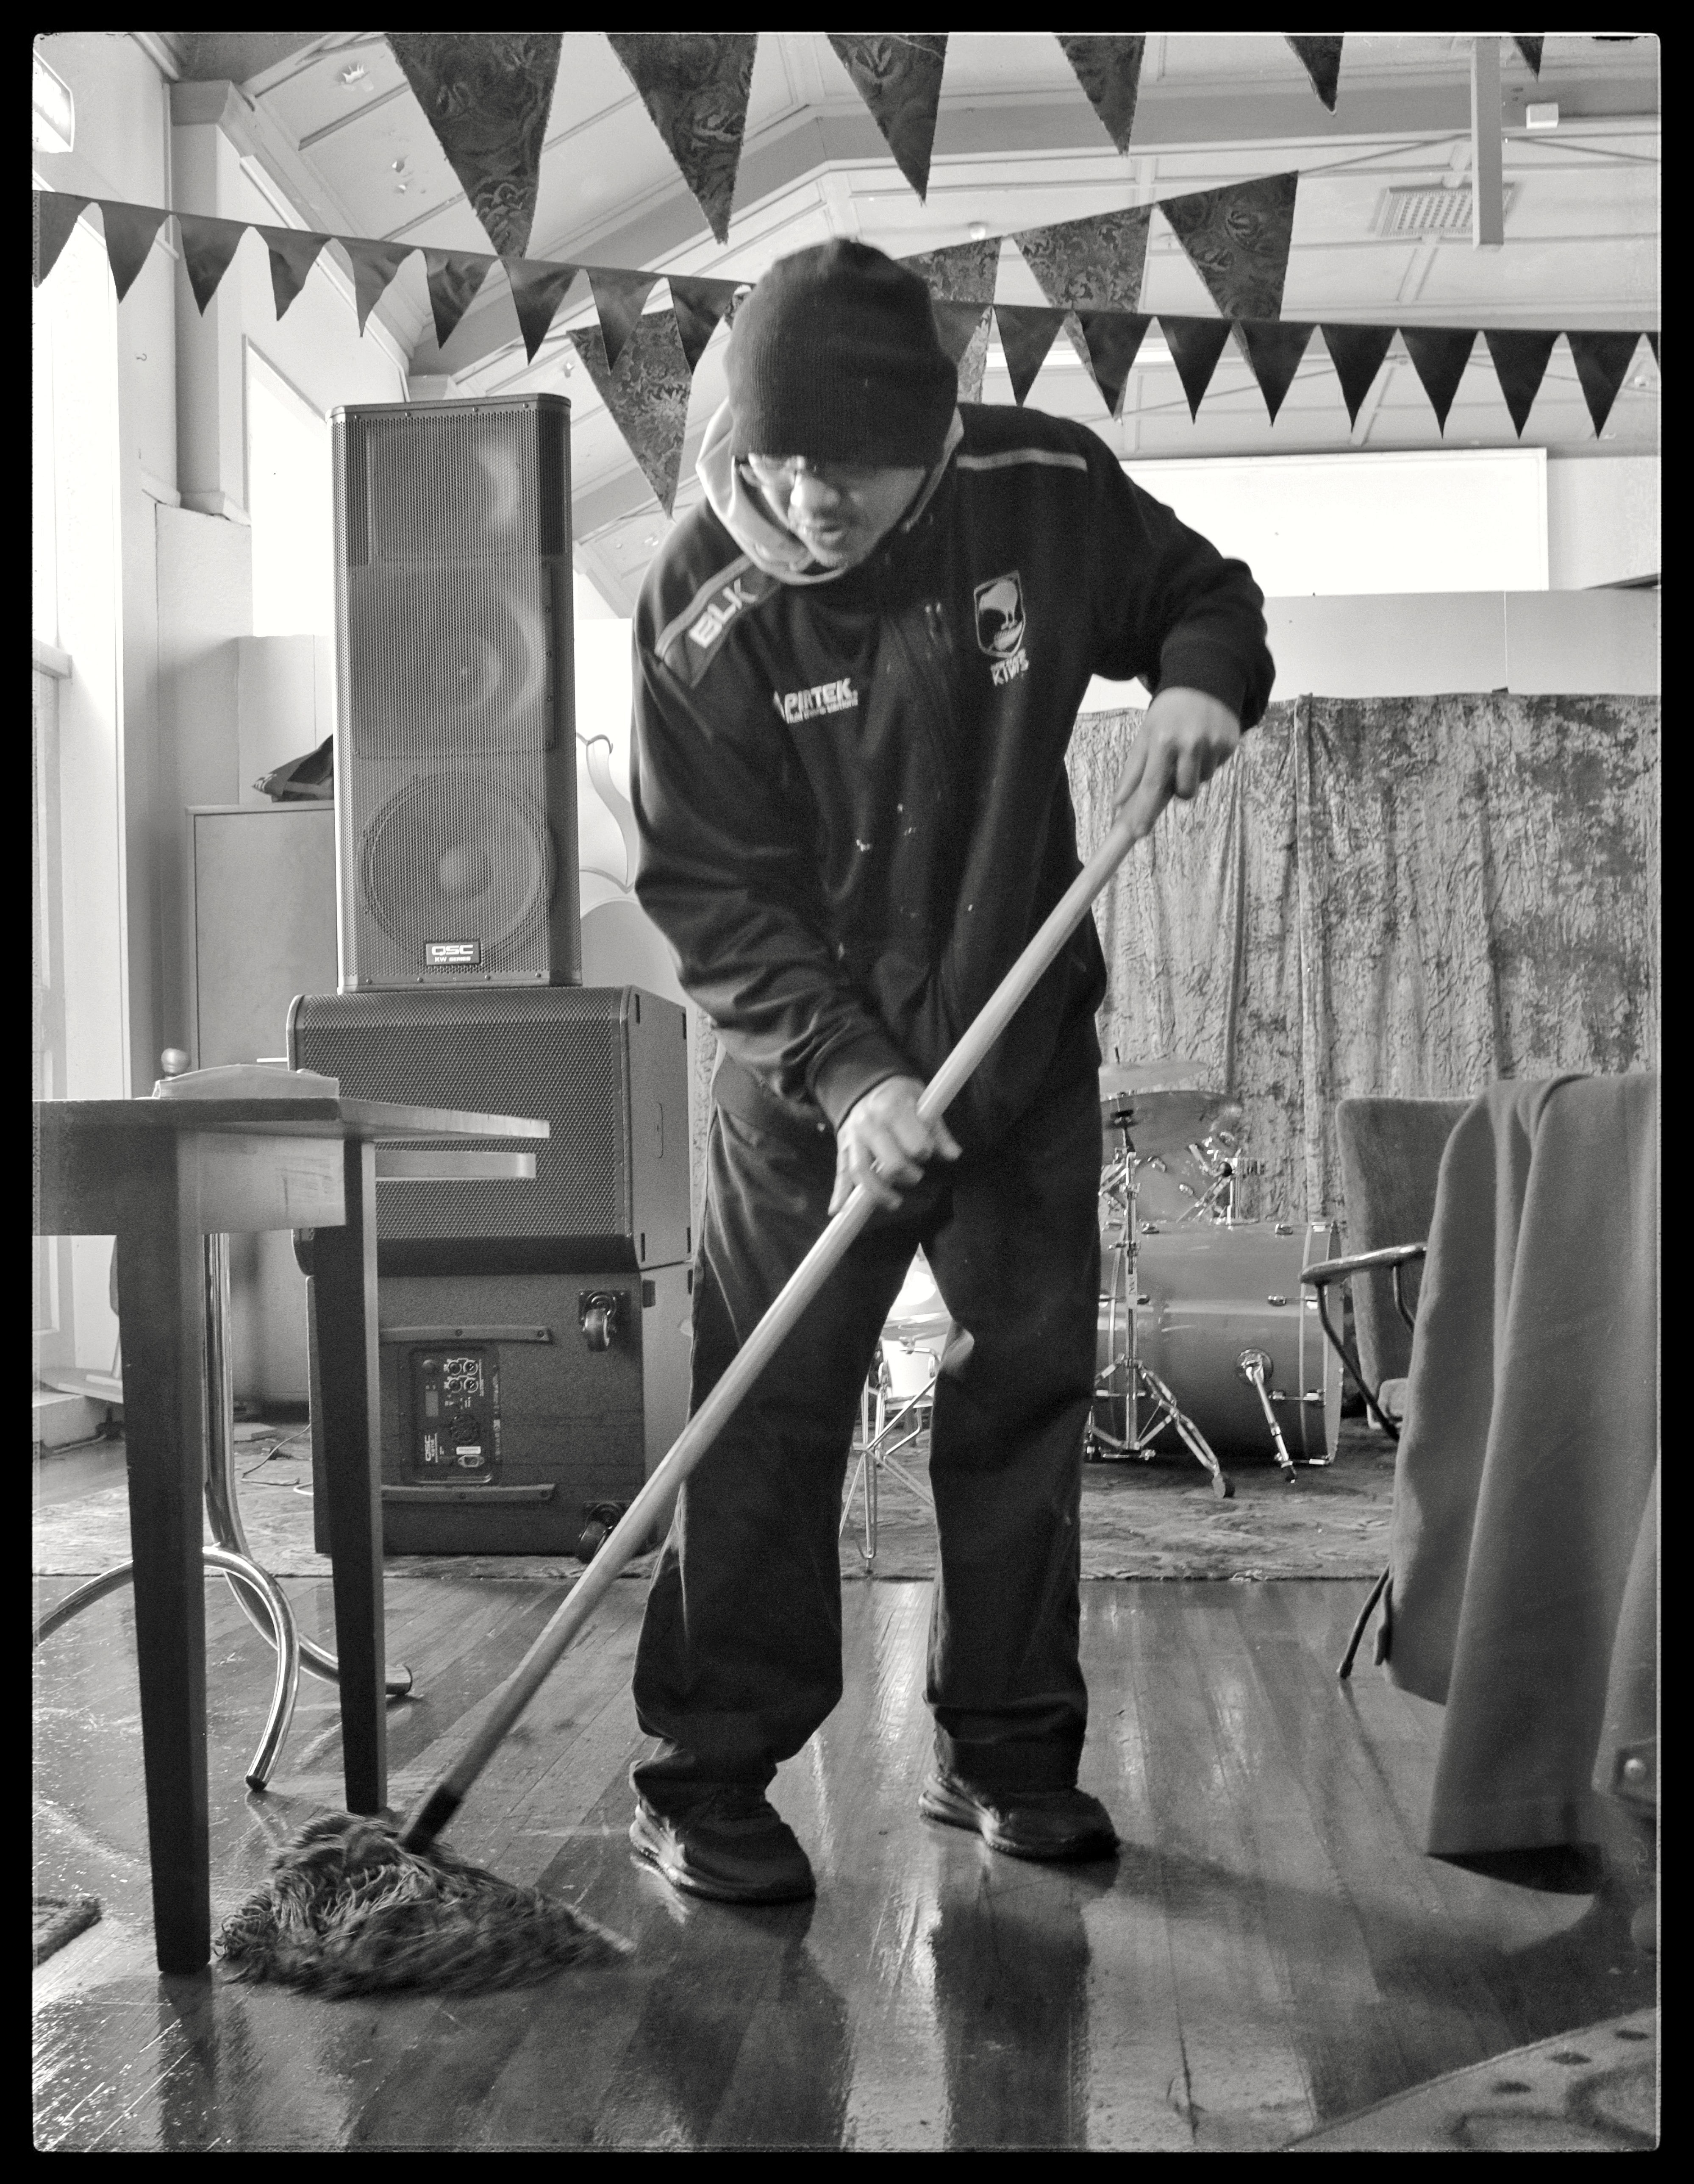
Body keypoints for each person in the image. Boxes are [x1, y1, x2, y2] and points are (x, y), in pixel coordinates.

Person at [625, 239, 1273, 1903]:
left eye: (851, 472)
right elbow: (708, 887)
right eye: (778, 466)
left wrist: (1203, 675)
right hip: (799, 1093)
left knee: (1020, 1399)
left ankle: (1012, 1752)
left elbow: (1195, 591)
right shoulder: (703, 609)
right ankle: (705, 1775)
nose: (810, 500)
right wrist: (848, 1080)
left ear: (934, 440)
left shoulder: (1041, 488)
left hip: (1018, 1048)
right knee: (767, 1409)